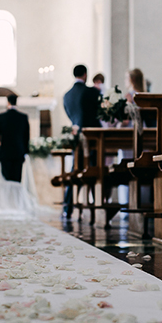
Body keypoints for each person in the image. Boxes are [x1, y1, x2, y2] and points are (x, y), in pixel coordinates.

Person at [61, 64, 101, 219]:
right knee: (94, 170)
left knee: (75, 170)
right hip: (93, 138)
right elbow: (98, 111)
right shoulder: (91, 92)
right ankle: (95, 205)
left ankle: (68, 206)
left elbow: (71, 115)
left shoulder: (67, 95)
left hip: (76, 137)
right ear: (85, 74)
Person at [0, 94, 30, 182]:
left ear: (8, 102)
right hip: (18, 152)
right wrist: (25, 151)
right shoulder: (23, 117)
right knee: (17, 179)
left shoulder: (1, 117)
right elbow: (26, 136)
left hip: (5, 153)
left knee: (6, 179)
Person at [63, 64, 100, 129]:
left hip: (76, 132)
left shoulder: (66, 95)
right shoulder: (92, 91)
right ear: (85, 75)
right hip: (93, 133)